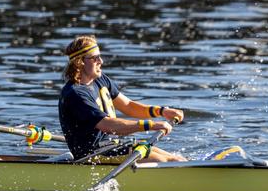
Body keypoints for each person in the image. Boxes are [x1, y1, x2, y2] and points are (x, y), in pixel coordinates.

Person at [58, 35, 186, 163]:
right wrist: (151, 125)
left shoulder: (100, 79)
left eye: (99, 56)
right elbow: (108, 125)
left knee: (176, 159)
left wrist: (162, 111)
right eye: (94, 58)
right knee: (164, 161)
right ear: (79, 62)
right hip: (91, 155)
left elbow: (128, 106)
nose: (101, 61)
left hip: (112, 146)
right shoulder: (75, 94)